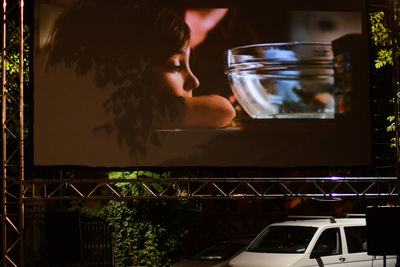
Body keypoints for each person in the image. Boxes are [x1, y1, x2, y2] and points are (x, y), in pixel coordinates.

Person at [43, 0, 235, 156]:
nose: (194, 80)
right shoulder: (122, 116)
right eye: (175, 66)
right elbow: (222, 110)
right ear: (125, 72)